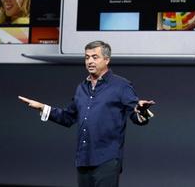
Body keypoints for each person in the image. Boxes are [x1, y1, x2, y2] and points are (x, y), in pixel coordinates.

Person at [18, 41, 155, 187]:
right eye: (87, 57)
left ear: (106, 60)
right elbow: (68, 117)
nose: (90, 61)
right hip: (83, 160)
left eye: (95, 57)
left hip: (107, 159)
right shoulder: (81, 88)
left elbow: (137, 115)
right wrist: (43, 107)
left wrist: (142, 111)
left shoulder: (121, 85)